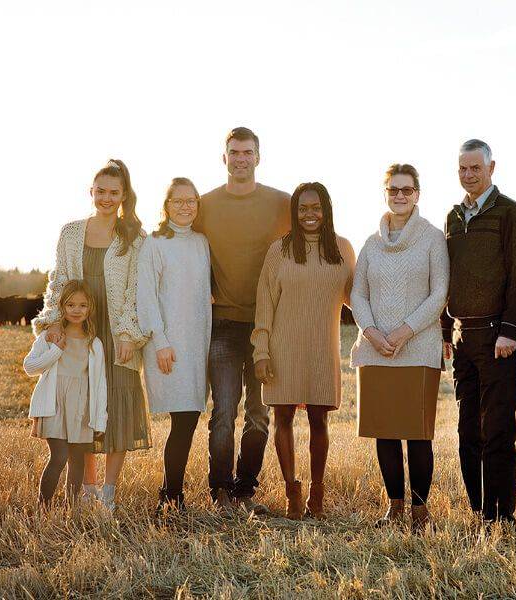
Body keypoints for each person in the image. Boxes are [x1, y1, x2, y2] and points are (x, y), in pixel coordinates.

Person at [33, 158, 150, 511]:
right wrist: (54, 320)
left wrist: (129, 334)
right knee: (82, 411)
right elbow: (59, 279)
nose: (106, 198)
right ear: (91, 191)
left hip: (116, 335)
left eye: (114, 192)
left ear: (124, 195)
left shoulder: (135, 238)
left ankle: (109, 492)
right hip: (78, 331)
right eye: (100, 191)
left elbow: (135, 290)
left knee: (116, 410)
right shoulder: (71, 233)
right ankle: (86, 489)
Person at [193, 127, 291, 514]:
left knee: (259, 413)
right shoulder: (205, 205)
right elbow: (180, 243)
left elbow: (312, 239)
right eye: (234, 152)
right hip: (223, 325)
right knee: (223, 412)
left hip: (269, 326)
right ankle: (219, 492)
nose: (240, 159)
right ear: (224, 158)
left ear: (258, 157)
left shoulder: (281, 203)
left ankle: (245, 491)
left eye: (247, 152)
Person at [351, 164, 449, 531]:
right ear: (385, 193)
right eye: (394, 190)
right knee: (385, 433)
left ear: (418, 194)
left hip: (418, 349)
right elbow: (358, 292)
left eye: (407, 190)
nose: (400, 196)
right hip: (376, 350)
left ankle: (420, 513)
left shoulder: (432, 238)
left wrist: (404, 331)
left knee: (417, 434)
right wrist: (372, 332)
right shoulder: (371, 243)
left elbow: (439, 293)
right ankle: (394, 508)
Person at [441, 139, 516, 526]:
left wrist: (511, 330)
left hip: (499, 336)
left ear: (491, 168)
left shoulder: (511, 213)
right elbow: (448, 276)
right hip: (463, 338)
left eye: (475, 168)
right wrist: (446, 329)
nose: (468, 175)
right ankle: (480, 512)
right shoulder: (453, 217)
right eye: (462, 168)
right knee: (467, 429)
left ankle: (502, 515)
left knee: (496, 428)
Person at [251, 182, 355, 520]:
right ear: (295, 213)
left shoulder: (342, 249)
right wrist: (261, 350)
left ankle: (317, 497)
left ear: (326, 209)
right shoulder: (279, 250)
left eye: (316, 207)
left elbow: (357, 298)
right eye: (303, 209)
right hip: (283, 346)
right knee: (283, 417)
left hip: (323, 348)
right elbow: (265, 302)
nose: (310, 215)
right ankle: (292, 494)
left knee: (319, 419)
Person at [137, 178, 211, 514]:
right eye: (177, 201)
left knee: (190, 417)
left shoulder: (201, 242)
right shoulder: (154, 243)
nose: (185, 206)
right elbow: (147, 297)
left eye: (191, 200)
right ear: (165, 205)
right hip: (168, 344)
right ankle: (171, 496)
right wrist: (160, 342)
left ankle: (169, 491)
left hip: (197, 343)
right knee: (182, 419)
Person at [25, 280, 107, 508]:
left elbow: (99, 384)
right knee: (59, 457)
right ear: (62, 306)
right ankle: (43, 507)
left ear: (90, 308)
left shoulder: (95, 343)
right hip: (54, 403)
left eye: (82, 305)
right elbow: (30, 367)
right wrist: (56, 351)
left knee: (77, 460)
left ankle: (73, 510)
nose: (76, 310)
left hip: (81, 406)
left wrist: (100, 419)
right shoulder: (50, 338)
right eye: (71, 305)